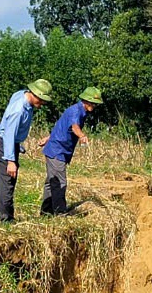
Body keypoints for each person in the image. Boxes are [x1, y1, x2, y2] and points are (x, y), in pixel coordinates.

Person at [0, 79, 53, 222]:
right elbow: (8, 133)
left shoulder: (21, 94)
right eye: (42, 100)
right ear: (34, 94)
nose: (43, 104)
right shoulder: (18, 110)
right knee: (8, 180)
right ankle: (6, 219)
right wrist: (10, 160)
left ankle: (1, 213)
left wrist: (17, 144)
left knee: (4, 180)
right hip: (5, 143)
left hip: (11, 142)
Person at [38, 87, 103, 216]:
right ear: (86, 100)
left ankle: (46, 212)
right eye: (93, 103)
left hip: (56, 149)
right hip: (57, 151)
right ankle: (60, 213)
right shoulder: (76, 111)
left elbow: (61, 125)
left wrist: (48, 138)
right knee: (59, 182)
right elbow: (74, 127)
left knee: (51, 182)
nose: (94, 106)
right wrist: (82, 136)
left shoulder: (78, 110)